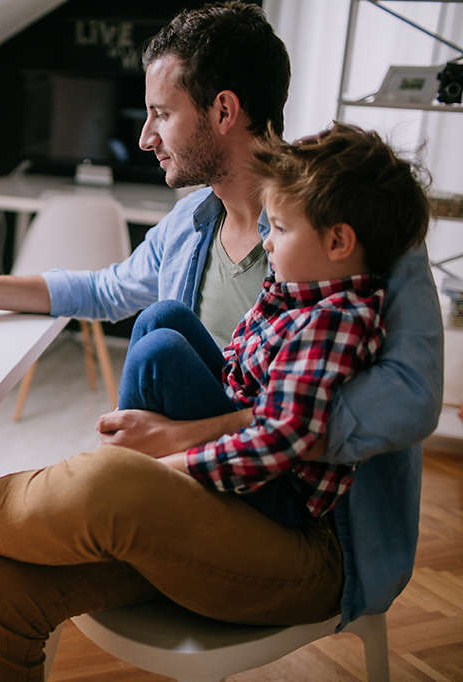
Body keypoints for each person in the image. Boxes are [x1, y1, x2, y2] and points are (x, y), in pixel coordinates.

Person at [0, 3, 442, 679]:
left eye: (162, 112)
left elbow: (412, 401)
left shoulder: (352, 226)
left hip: (311, 533)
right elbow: (102, 289)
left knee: (109, 479)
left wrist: (199, 434)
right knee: (6, 585)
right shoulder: (192, 221)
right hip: (204, 493)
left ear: (223, 111)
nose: (148, 135)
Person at [117, 122, 429, 532]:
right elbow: (238, 364)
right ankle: (122, 466)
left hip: (279, 487)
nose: (267, 241)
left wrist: (169, 466)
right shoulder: (292, 292)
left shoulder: (333, 320)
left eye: (280, 229)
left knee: (160, 352)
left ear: (338, 243)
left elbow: (276, 439)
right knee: (163, 318)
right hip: (250, 436)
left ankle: (121, 483)